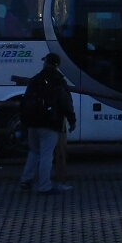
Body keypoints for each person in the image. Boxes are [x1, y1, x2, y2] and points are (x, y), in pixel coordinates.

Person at [18, 52, 77, 194]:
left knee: (34, 152)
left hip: (32, 122)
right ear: (57, 66)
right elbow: (66, 103)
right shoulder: (59, 81)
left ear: (46, 63)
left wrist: (25, 120)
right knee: (46, 154)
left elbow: (25, 101)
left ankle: (26, 180)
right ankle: (44, 186)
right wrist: (72, 120)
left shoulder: (35, 79)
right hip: (50, 122)